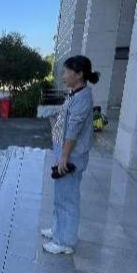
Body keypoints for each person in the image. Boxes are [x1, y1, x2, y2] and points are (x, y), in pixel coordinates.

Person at [42, 56, 99, 255]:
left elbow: (73, 130)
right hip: (64, 150)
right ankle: (57, 229)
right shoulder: (75, 93)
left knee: (68, 197)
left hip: (72, 154)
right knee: (61, 193)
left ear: (79, 74)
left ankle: (64, 241)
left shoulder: (82, 98)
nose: (63, 76)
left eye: (67, 72)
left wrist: (64, 156)